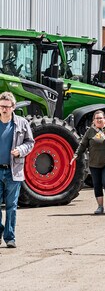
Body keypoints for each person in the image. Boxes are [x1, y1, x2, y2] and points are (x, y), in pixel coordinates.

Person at [70, 110, 105, 214]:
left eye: (101, 118)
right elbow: (83, 144)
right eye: (96, 118)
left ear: (104, 119)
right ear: (93, 121)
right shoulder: (90, 131)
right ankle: (100, 206)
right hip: (94, 163)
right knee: (97, 185)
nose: (99, 120)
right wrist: (76, 155)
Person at [0, 92, 34, 248]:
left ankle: (10, 237)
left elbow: (30, 142)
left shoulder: (21, 123)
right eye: (2, 106)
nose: (4, 109)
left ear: (13, 107)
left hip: (14, 170)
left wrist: (20, 150)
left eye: (7, 107)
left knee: (11, 206)